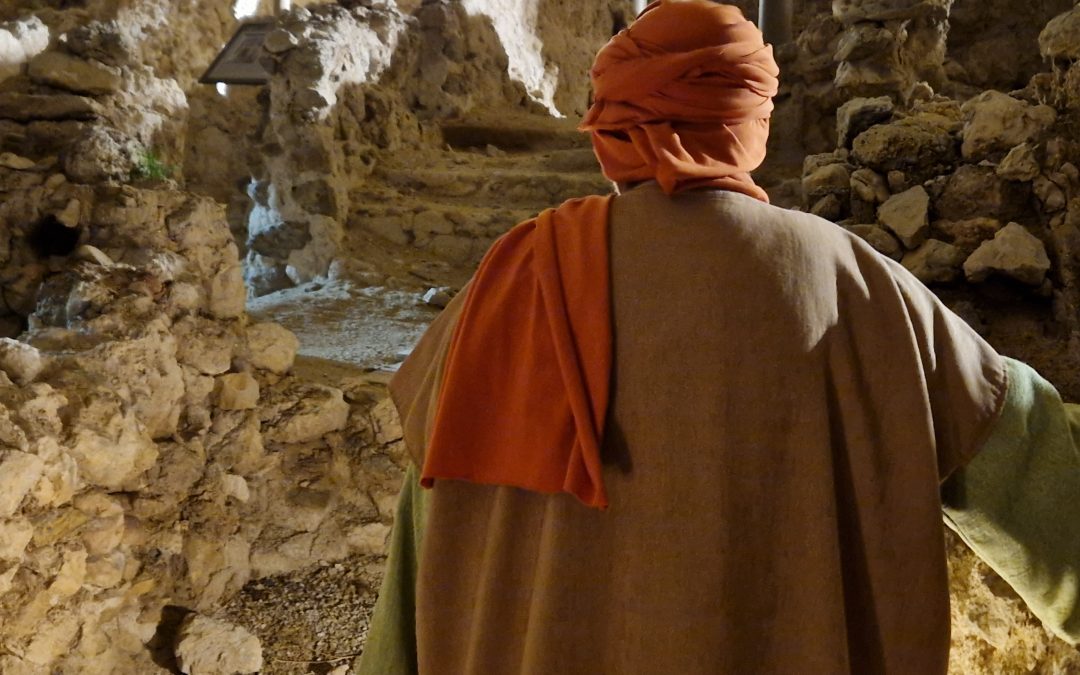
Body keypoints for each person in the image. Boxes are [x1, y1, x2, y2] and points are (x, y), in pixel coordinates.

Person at [358, 2, 1080, 672]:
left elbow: (414, 576)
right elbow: (1026, 464)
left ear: (609, 129)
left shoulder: (507, 289)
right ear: (751, 122)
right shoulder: (855, 285)